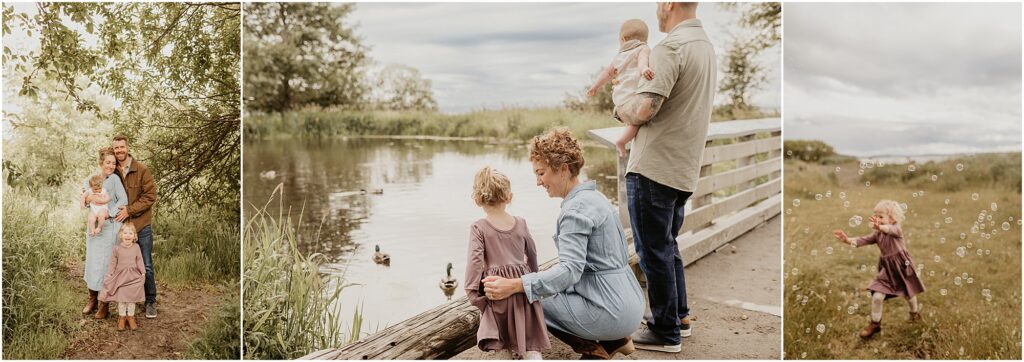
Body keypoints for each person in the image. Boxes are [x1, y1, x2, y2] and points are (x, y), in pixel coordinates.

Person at [483, 128, 644, 360]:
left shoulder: (574, 210)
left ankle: (593, 351)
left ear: (563, 169)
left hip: (611, 310)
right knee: (538, 288)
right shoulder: (596, 198)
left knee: (523, 298)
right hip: (631, 302)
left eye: (541, 173)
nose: (538, 182)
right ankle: (614, 341)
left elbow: (570, 271)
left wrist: (516, 284)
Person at [613, 2, 717, 353]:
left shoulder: (671, 47)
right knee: (667, 246)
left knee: (652, 252)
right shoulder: (704, 46)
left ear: (670, 4)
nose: (658, 7)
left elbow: (645, 108)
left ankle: (664, 330)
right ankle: (679, 318)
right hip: (682, 168)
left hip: (654, 167)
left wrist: (619, 107)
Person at [464, 166, 549, 360]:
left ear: (477, 199)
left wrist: (472, 292)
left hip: (497, 290)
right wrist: (531, 280)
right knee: (530, 344)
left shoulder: (479, 227)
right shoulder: (521, 222)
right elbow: (532, 253)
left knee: (502, 345)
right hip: (522, 287)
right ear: (509, 197)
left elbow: (475, 262)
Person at [833, 200, 925, 338]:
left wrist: (880, 227)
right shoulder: (877, 234)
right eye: (875, 216)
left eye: (881, 216)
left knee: (909, 293)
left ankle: (914, 314)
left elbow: (890, 230)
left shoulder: (896, 229)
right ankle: (875, 324)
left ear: (892, 219)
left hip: (901, 267)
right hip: (887, 270)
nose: (877, 219)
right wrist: (847, 240)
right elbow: (862, 240)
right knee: (877, 297)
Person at [586, 18, 656, 157]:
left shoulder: (619, 55)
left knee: (631, 121)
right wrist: (644, 69)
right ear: (646, 39)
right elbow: (642, 62)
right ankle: (622, 141)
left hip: (620, 100)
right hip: (633, 99)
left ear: (623, 39)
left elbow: (607, 73)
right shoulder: (644, 49)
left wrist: (595, 86)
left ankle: (623, 138)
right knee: (636, 122)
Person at [112, 135, 159, 318]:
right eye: (116, 148)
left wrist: (129, 210)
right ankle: (125, 299)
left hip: (141, 225)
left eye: (122, 147)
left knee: (146, 265)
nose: (119, 150)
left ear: (127, 148)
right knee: (123, 265)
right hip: (121, 228)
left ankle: (151, 301)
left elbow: (150, 196)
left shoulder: (141, 169)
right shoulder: (112, 171)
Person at [81, 147, 129, 319]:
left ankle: (104, 304)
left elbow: (123, 199)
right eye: (108, 162)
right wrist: (88, 199)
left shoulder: (115, 179)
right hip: (94, 226)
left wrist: (110, 212)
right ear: (101, 163)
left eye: (113, 163)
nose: (110, 166)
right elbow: (85, 199)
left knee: (106, 265)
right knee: (93, 262)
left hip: (109, 226)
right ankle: (92, 299)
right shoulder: (91, 179)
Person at [98, 223, 146, 331]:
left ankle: (131, 317)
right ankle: (122, 317)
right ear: (121, 235)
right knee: (122, 299)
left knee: (131, 299)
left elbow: (139, 259)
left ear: (134, 236)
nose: (128, 235)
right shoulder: (117, 248)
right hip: (121, 277)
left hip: (133, 276)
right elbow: (113, 262)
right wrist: (110, 273)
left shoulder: (136, 247)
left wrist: (142, 272)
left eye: (130, 233)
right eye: (125, 233)